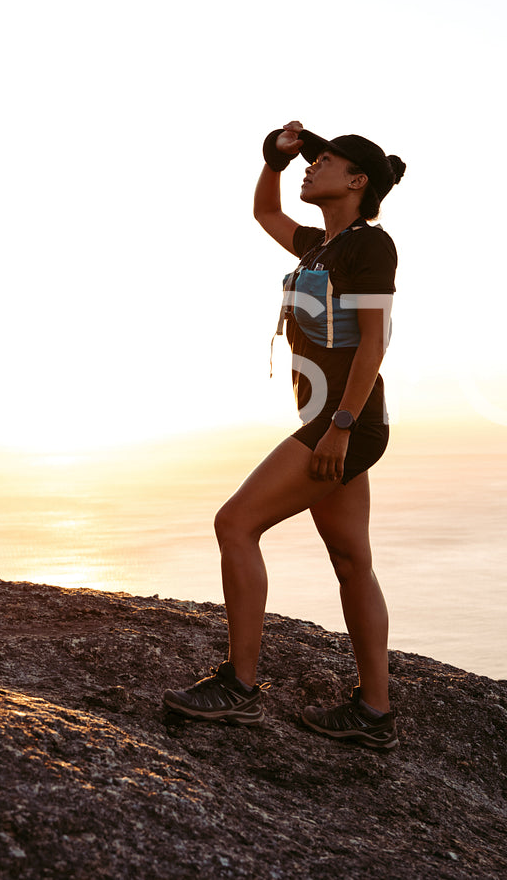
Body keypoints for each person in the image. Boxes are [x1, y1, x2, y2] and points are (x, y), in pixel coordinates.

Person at [162, 120, 406, 749]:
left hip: (344, 422)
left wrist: (341, 429)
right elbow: (264, 210)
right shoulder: (319, 248)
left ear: (356, 181)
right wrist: (272, 158)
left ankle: (239, 689)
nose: (310, 168)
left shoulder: (368, 247)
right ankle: (374, 714)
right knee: (352, 561)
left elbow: (374, 342)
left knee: (235, 524)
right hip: (330, 423)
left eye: (322, 162)